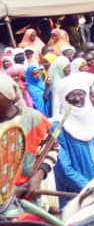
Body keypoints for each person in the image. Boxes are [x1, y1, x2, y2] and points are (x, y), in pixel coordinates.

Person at [54, 78, 94, 207]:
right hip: (77, 195)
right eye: (71, 96)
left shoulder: (93, 120)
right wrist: (89, 188)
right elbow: (64, 170)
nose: (77, 99)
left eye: (80, 94)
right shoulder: (59, 127)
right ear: (64, 99)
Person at [0, 72, 54, 200]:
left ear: (9, 96)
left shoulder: (33, 118)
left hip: (27, 194)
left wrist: (37, 177)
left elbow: (51, 148)